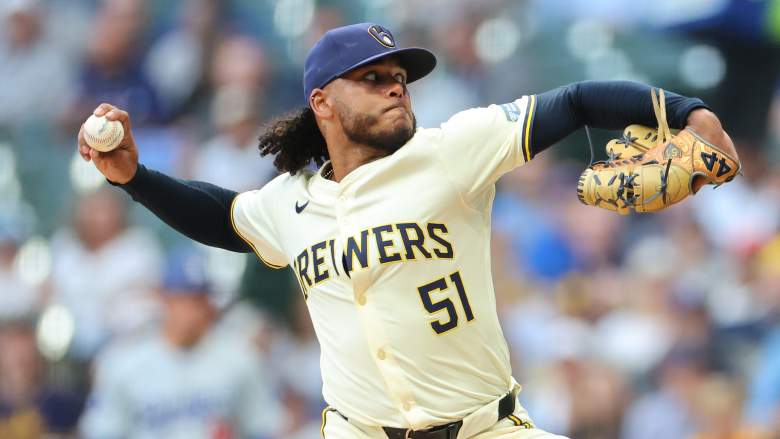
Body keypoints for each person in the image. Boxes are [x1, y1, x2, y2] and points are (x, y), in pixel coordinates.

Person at [77, 22, 736, 439]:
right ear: (323, 102)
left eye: (401, 78)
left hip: (486, 429)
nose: (397, 88)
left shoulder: (454, 150)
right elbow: (224, 216)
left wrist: (688, 112)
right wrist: (133, 177)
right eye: (374, 79)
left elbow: (577, 101)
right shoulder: (291, 202)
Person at [79, 248, 282, 439]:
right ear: (164, 297)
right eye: (184, 298)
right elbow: (103, 431)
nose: (194, 311)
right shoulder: (121, 362)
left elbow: (263, 427)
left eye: (200, 299)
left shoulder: (241, 357)